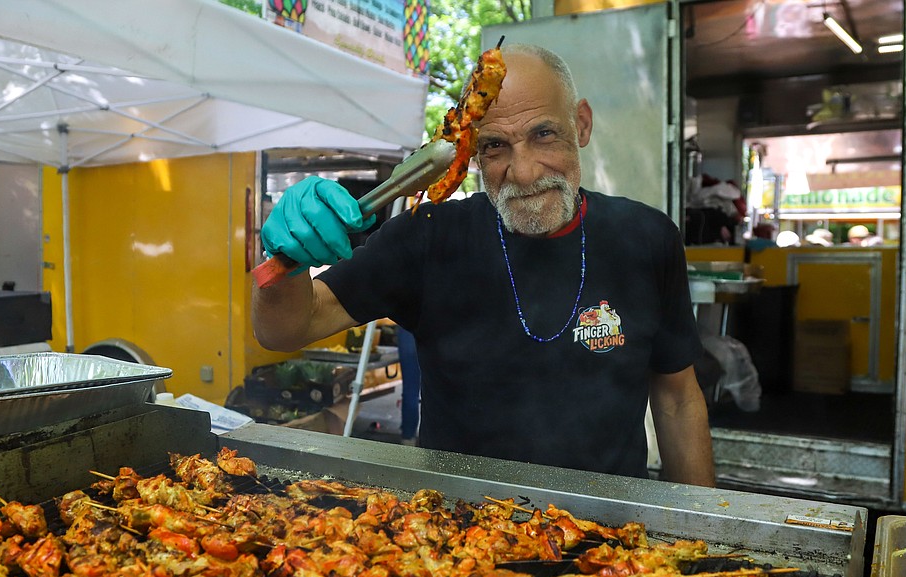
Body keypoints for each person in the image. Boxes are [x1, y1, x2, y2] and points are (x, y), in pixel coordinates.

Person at [252, 43, 714, 487]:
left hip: (614, 539)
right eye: (495, 146)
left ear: (582, 125)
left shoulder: (647, 237)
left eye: (544, 134)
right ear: (472, 152)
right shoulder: (428, 235)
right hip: (460, 537)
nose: (526, 171)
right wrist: (287, 261)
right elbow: (286, 329)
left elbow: (676, 399)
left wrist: (705, 532)